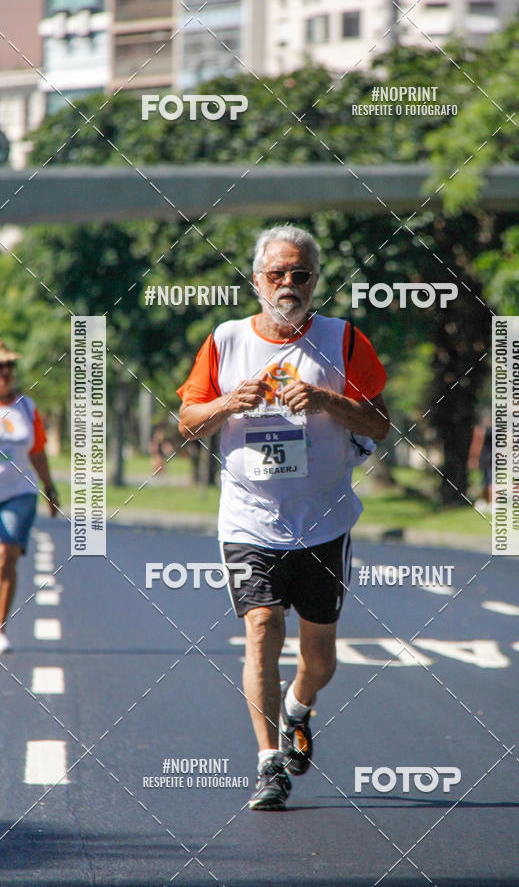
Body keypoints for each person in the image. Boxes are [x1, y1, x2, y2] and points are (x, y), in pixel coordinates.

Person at [177, 225, 389, 810]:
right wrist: (227, 403)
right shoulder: (225, 341)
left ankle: (299, 707)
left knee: (320, 659)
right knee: (262, 627)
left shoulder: (343, 341)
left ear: (316, 281)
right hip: (249, 520)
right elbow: (186, 422)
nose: (288, 284)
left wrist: (324, 401)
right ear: (256, 280)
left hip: (324, 523)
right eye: (277, 274)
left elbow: (379, 425)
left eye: (300, 274)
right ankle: (270, 762)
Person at [0, 341, 59, 653]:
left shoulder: (26, 407)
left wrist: (50, 489)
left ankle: (0, 628)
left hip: (19, 491)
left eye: (9, 367)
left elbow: (37, 452)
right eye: (0, 367)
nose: (6, 373)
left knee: (6, 555)